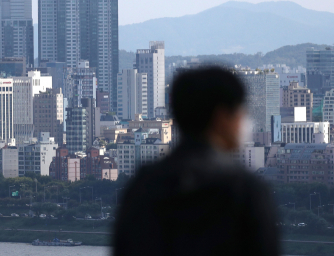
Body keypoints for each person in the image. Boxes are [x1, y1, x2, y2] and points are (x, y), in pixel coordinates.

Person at [113, 67, 279, 256]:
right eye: (240, 112)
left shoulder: (143, 185)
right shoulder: (245, 189)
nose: (244, 122)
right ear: (222, 117)